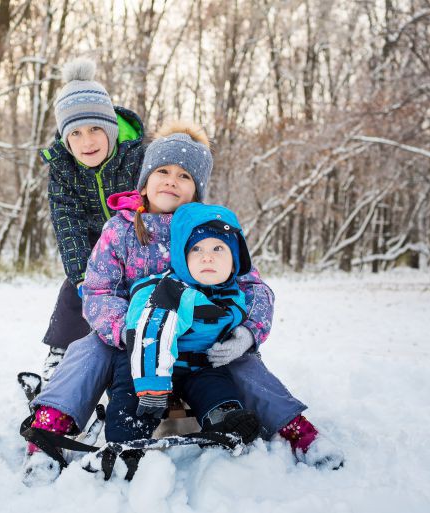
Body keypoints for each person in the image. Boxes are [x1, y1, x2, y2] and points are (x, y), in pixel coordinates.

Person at [21, 122, 343, 485]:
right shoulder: (121, 229)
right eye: (162, 171)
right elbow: (97, 290)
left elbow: (254, 287)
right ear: (145, 179)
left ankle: (298, 431)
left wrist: (246, 333)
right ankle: (50, 429)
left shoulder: (211, 232)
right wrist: (127, 330)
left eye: (184, 176)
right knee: (86, 349)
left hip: (199, 343)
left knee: (242, 361)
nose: (171, 181)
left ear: (196, 190)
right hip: (134, 346)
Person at [102, 202, 263, 449]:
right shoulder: (172, 289)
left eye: (218, 248)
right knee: (131, 391)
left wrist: (245, 337)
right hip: (149, 361)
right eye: (197, 249)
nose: (207, 256)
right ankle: (127, 438)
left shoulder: (235, 295)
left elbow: (246, 316)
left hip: (197, 364)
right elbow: (151, 333)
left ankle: (224, 417)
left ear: (234, 262)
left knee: (216, 383)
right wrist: (152, 386)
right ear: (183, 258)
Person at [39, 57, 144, 383]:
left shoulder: (135, 157)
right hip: (94, 250)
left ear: (111, 128)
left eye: (96, 129)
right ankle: (60, 355)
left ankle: (143, 360)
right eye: (77, 133)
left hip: (138, 246)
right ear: (66, 140)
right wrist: (84, 274)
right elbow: (66, 221)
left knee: (144, 297)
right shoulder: (64, 169)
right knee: (73, 293)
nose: (87, 142)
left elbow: (156, 203)